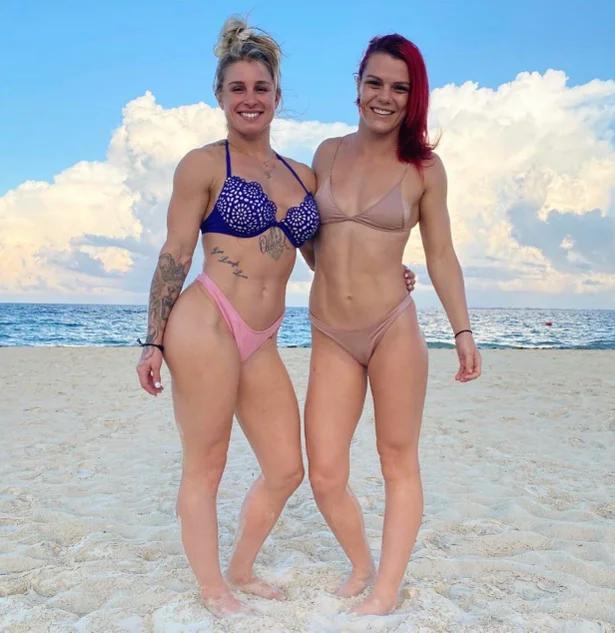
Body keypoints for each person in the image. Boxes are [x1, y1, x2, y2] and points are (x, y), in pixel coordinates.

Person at [135, 17, 321, 615]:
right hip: (206, 320)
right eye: (237, 88)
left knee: (286, 468)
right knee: (207, 462)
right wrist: (152, 341)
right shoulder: (203, 165)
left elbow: (321, 258)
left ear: (277, 96)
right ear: (219, 96)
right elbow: (174, 254)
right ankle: (213, 586)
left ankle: (241, 567)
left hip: (262, 337)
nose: (249, 98)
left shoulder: (303, 176)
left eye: (260, 88)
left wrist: (385, 275)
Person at [302, 34, 482, 615]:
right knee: (324, 472)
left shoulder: (424, 169)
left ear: (414, 97)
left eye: (399, 88)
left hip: (392, 331)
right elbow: (313, 244)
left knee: (397, 461)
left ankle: (386, 588)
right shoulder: (326, 154)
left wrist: (462, 331)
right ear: (357, 86)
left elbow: (441, 254)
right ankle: (362, 564)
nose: (385, 96)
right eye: (375, 83)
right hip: (331, 332)